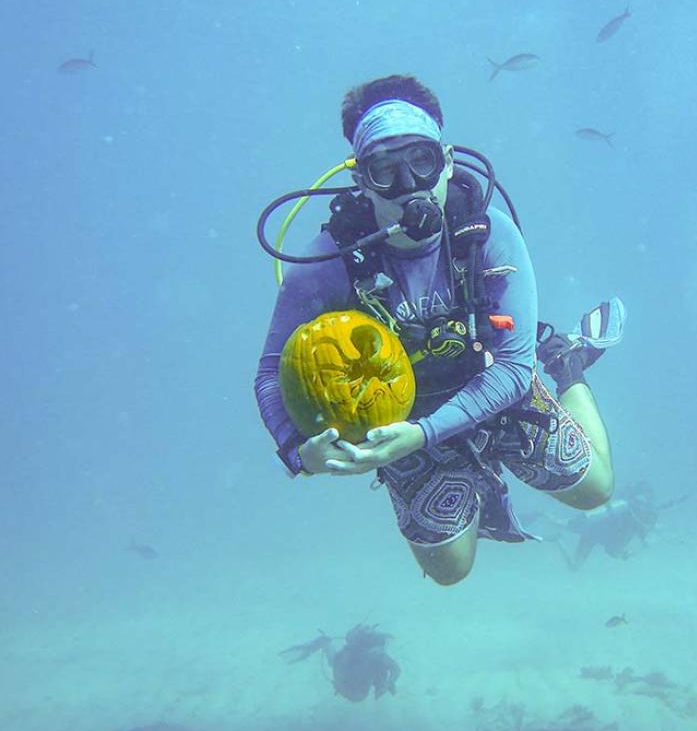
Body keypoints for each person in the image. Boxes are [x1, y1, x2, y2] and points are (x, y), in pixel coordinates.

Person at [254, 75, 622, 585]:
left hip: (494, 384)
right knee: (450, 571)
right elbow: (272, 371)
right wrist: (299, 451)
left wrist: (420, 436)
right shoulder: (325, 264)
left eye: (421, 161)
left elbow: (515, 368)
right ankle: (462, 476)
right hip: (402, 414)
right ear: (361, 178)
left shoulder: (490, 235)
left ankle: (566, 364)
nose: (410, 186)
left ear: (447, 160)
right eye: (386, 169)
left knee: (595, 491)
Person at [554, 482, 661, 570]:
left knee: (574, 566)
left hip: (595, 533)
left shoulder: (636, 516)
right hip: (593, 531)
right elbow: (596, 514)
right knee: (574, 566)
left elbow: (641, 537)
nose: (641, 505)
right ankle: (555, 535)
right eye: (640, 501)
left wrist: (627, 552)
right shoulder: (624, 506)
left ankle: (557, 537)